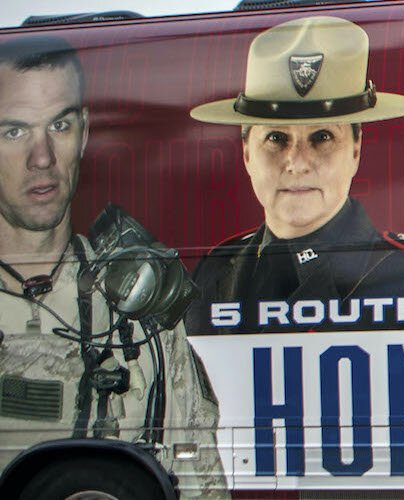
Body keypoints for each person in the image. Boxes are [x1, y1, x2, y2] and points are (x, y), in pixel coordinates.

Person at [0, 36, 228, 497]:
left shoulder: (139, 304)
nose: (41, 158)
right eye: (14, 131)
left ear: (83, 132)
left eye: (59, 125)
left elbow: (199, 477)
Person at [187, 16, 404, 334]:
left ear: (355, 150)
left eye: (322, 137)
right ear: (247, 152)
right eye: (276, 138)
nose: (297, 163)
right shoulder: (214, 269)